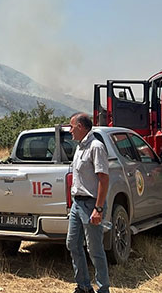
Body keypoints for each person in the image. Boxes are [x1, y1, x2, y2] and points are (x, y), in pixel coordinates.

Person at [66, 113, 110, 293]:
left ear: (81, 127)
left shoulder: (96, 147)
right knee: (72, 244)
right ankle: (83, 286)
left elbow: (104, 179)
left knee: (95, 250)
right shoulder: (79, 147)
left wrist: (98, 209)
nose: (69, 131)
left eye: (72, 126)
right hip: (78, 204)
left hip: (91, 204)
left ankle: (103, 288)